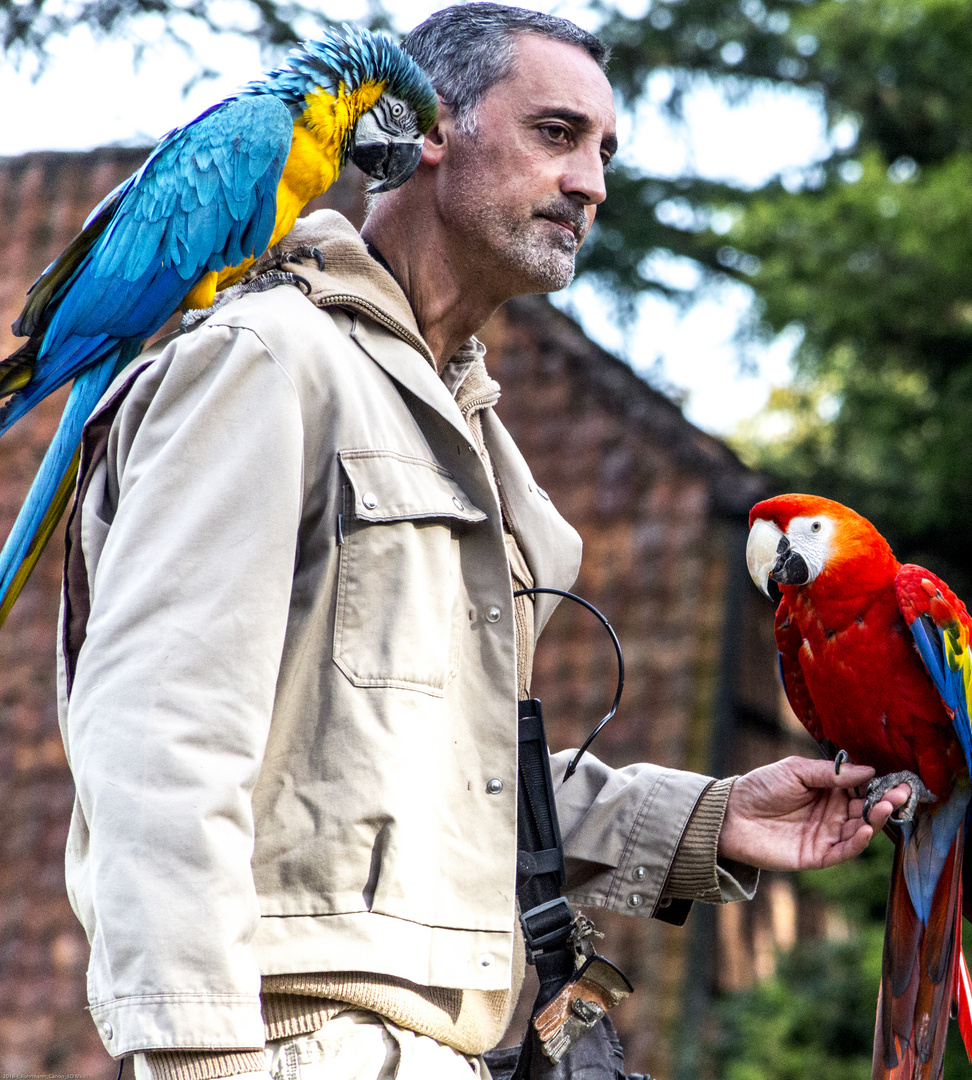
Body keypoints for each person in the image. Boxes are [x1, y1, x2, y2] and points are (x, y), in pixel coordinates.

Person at [56, 5, 910, 1079]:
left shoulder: (480, 443)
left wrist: (709, 820)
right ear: (426, 131)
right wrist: (198, 1059)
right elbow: (157, 738)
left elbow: (434, 773)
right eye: (557, 135)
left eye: (605, 152)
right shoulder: (269, 360)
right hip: (291, 1043)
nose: (593, 182)